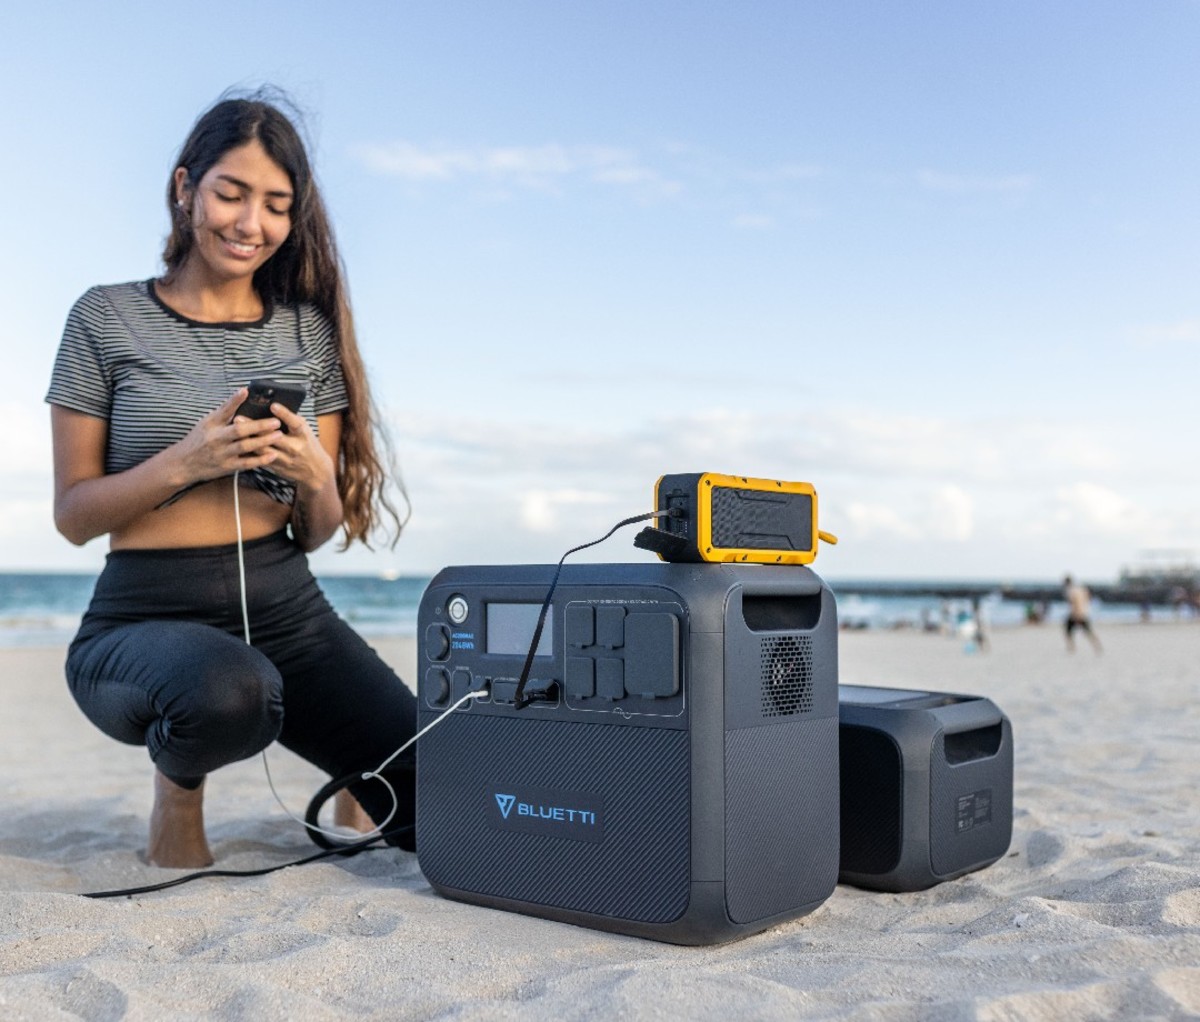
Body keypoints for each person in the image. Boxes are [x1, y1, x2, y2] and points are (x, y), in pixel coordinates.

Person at [46, 90, 417, 868]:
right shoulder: (104, 317)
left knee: (438, 787)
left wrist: (315, 478)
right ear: (185, 188)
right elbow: (74, 516)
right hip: (141, 616)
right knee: (232, 693)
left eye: (276, 205)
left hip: (289, 608)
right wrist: (185, 463)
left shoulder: (307, 331)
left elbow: (316, 532)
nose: (252, 223)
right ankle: (178, 793)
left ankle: (353, 774)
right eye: (232, 193)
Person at [1063, 575, 1102, 654]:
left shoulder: (1071, 591)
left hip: (1076, 614)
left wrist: (1077, 614)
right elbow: (1087, 597)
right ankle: (1097, 645)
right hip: (1083, 612)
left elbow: (1075, 603)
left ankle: (1072, 647)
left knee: (1069, 631)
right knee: (1087, 631)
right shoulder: (1080, 589)